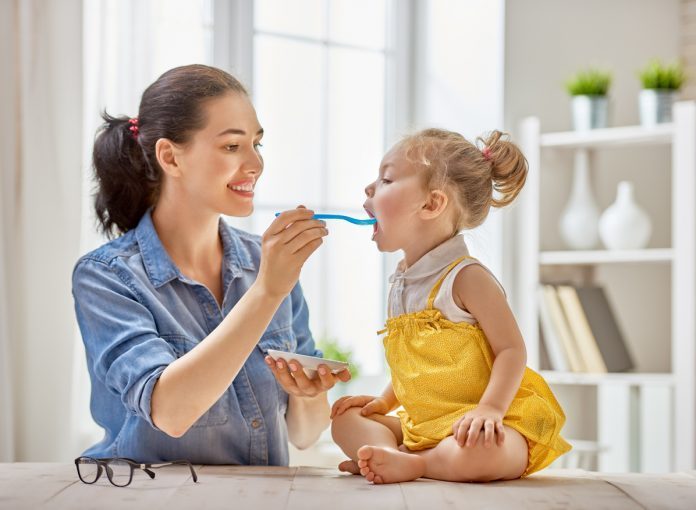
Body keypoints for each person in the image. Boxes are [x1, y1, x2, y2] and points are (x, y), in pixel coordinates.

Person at [72, 64, 349, 465]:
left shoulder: (266, 262)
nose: (255, 164)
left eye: (257, 143)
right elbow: (170, 411)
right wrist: (267, 292)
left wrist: (311, 393)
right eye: (232, 146)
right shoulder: (106, 276)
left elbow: (304, 435)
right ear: (170, 156)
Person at [330, 128, 571, 484]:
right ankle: (393, 458)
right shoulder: (403, 283)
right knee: (345, 421)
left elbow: (511, 349)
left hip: (478, 425)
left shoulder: (467, 278)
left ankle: (418, 464)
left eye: (386, 179)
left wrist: (490, 410)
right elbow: (418, 365)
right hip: (425, 425)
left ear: (431, 204)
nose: (369, 188)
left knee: (485, 453)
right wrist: (383, 404)